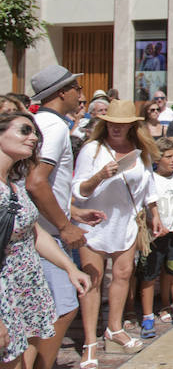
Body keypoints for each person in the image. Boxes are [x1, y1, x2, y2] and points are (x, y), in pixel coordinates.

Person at [72, 100, 165, 365]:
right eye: (112, 122)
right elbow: (79, 190)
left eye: (122, 123)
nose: (116, 127)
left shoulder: (139, 151)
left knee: (123, 275)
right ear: (105, 123)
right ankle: (90, 341)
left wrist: (154, 214)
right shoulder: (92, 149)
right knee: (92, 280)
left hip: (126, 221)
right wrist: (100, 176)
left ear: (132, 126)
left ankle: (114, 327)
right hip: (93, 222)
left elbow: (149, 186)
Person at [27, 65, 106, 369]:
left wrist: (72, 212)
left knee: (50, 308)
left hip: (46, 229)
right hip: (44, 235)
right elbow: (35, 181)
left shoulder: (44, 122)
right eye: (76, 89)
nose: (80, 94)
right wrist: (64, 225)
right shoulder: (54, 126)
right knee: (63, 306)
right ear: (62, 92)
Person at [0, 112, 91, 369]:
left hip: (25, 287)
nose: (33, 137)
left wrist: (70, 267)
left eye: (35, 134)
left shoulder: (13, 186)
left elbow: (33, 232)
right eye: (24, 130)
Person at [138, 138, 173, 338]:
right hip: (154, 237)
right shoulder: (149, 179)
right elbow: (143, 208)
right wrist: (151, 224)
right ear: (157, 158)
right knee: (149, 275)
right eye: (168, 157)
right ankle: (147, 316)